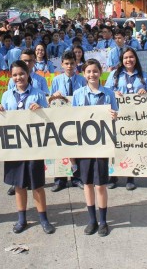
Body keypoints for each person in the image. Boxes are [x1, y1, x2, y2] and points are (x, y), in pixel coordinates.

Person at [0, 60, 55, 235]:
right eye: (14, 75)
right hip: (14, 147)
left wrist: (41, 109)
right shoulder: (6, 95)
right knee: (19, 185)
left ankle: (43, 218)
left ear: (28, 74)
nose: (18, 77)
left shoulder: (38, 94)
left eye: (21, 73)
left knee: (37, 185)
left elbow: (48, 118)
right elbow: (2, 120)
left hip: (33, 146)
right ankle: (21, 219)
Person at [72, 58, 118, 237]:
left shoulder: (108, 94)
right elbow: (72, 118)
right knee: (87, 184)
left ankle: (103, 220)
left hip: (101, 144)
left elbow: (116, 114)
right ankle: (92, 220)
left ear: (101, 72)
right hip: (84, 145)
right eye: (88, 71)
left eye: (95, 71)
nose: (92, 74)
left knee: (100, 185)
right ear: (84, 74)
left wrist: (115, 115)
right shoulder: (78, 94)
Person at [105, 47, 147, 190]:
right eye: (125, 58)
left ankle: (130, 176)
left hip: (136, 118)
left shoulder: (143, 75)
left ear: (135, 58)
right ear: (121, 60)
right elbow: (105, 92)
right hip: (117, 117)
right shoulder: (114, 75)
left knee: (132, 146)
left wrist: (146, 92)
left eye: (131, 57)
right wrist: (114, 93)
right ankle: (113, 175)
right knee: (115, 146)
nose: (128, 60)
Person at [50, 51, 87, 191]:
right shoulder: (56, 80)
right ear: (62, 65)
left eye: (72, 63)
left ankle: (77, 178)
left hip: (77, 117)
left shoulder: (82, 80)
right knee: (60, 147)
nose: (70, 66)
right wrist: (54, 96)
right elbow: (51, 101)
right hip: (61, 119)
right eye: (66, 63)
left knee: (77, 148)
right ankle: (60, 179)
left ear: (76, 63)